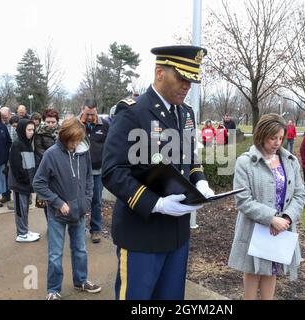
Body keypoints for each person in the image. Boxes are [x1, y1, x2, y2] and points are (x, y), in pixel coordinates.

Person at [102, 45, 214, 300]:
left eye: (191, 80)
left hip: (177, 234)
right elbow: (113, 171)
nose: (187, 86)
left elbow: (190, 158)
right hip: (142, 233)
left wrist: (201, 182)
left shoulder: (186, 113)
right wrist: (157, 204)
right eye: (182, 78)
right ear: (159, 72)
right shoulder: (132, 112)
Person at [228, 113, 305, 300]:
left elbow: (299, 193)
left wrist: (286, 218)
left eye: (281, 138)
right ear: (261, 135)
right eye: (273, 138)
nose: (278, 142)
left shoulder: (290, 161)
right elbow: (243, 200)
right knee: (253, 269)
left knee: (272, 269)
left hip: (282, 229)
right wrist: (271, 218)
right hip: (255, 228)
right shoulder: (245, 162)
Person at [33, 117, 101, 300]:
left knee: (80, 249)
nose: (75, 144)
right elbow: (38, 183)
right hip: (57, 213)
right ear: (64, 137)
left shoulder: (83, 151)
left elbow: (89, 178)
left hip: (79, 212)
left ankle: (81, 281)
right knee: (55, 254)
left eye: (78, 140)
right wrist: (58, 202)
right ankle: (53, 289)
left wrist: (87, 200)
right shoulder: (51, 154)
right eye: (72, 141)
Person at [77, 99, 109, 243]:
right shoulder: (76, 125)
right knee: (79, 200)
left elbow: (110, 146)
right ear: (82, 109)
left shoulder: (105, 125)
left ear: (96, 110)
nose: (89, 117)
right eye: (87, 113)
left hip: (97, 171)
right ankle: (79, 228)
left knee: (96, 201)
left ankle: (95, 230)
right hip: (79, 170)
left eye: (92, 113)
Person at [8, 119, 40, 242]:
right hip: (19, 184)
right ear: (22, 130)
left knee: (25, 208)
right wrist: (25, 179)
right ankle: (21, 234)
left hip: (26, 184)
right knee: (20, 209)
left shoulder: (27, 143)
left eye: (33, 129)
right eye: (29, 130)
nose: (32, 132)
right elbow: (16, 167)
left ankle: (25, 230)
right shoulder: (17, 144)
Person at [34, 108, 60, 219]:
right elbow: (39, 150)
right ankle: (49, 221)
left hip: (60, 167)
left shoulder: (62, 131)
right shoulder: (39, 132)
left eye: (53, 122)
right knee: (46, 197)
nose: (50, 124)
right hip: (45, 166)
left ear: (57, 121)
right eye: (48, 122)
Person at [0, 107, 14, 205]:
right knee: (4, 175)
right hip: (3, 154)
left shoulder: (14, 124)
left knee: (14, 175)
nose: (3, 118)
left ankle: (16, 197)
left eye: (5, 116)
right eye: (2, 116)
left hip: (13, 154)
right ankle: (6, 195)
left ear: (10, 115)